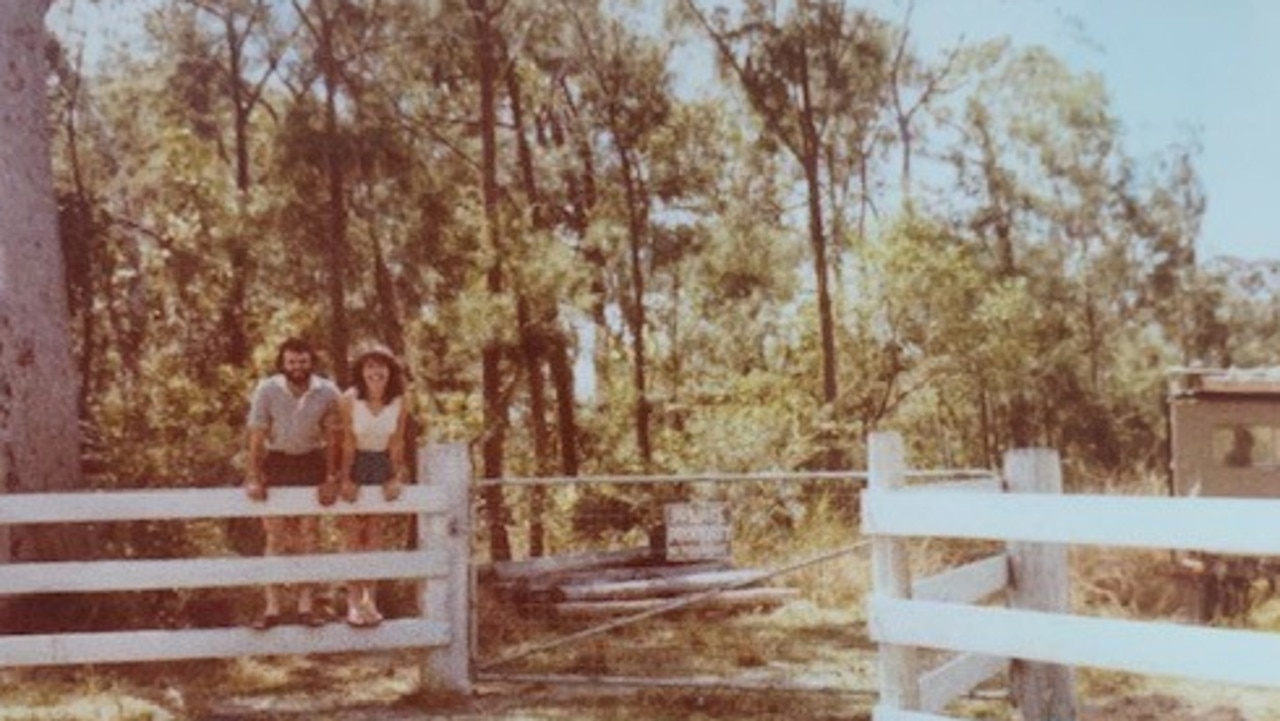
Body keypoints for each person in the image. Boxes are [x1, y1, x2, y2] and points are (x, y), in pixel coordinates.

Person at [244, 337, 342, 629]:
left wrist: (331, 477)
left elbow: (335, 438)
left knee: (308, 535)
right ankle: (272, 609)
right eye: (291, 362)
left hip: (312, 460)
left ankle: (305, 607)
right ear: (282, 363)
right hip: (277, 462)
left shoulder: (326, 391)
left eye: (302, 361)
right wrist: (253, 475)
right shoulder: (267, 389)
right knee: (274, 535)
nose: (297, 367)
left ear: (311, 362)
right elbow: (257, 434)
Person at [336, 343, 412, 627]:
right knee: (353, 534)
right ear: (361, 371)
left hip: (382, 463)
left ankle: (371, 602)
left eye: (381, 366)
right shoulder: (349, 399)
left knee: (375, 534)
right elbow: (347, 441)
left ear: (390, 371)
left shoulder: (401, 400)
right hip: (355, 462)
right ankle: (353, 603)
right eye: (369, 366)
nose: (375, 372)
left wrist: (395, 475)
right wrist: (345, 477)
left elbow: (397, 440)